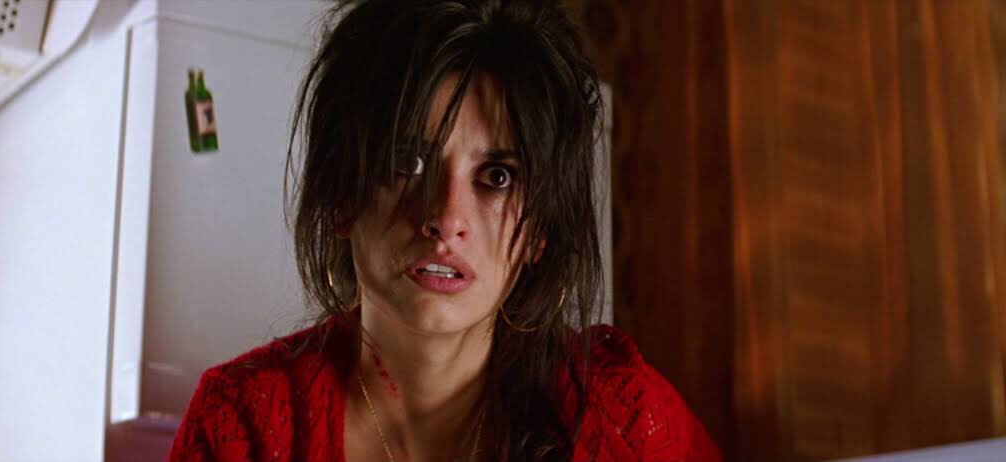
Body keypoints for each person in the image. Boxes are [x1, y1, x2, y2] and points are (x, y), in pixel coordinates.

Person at [169, 0, 722, 460]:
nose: (446, 218)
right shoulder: (239, 426)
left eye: (498, 177)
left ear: (538, 231)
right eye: (406, 163)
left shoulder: (622, 422)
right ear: (341, 195)